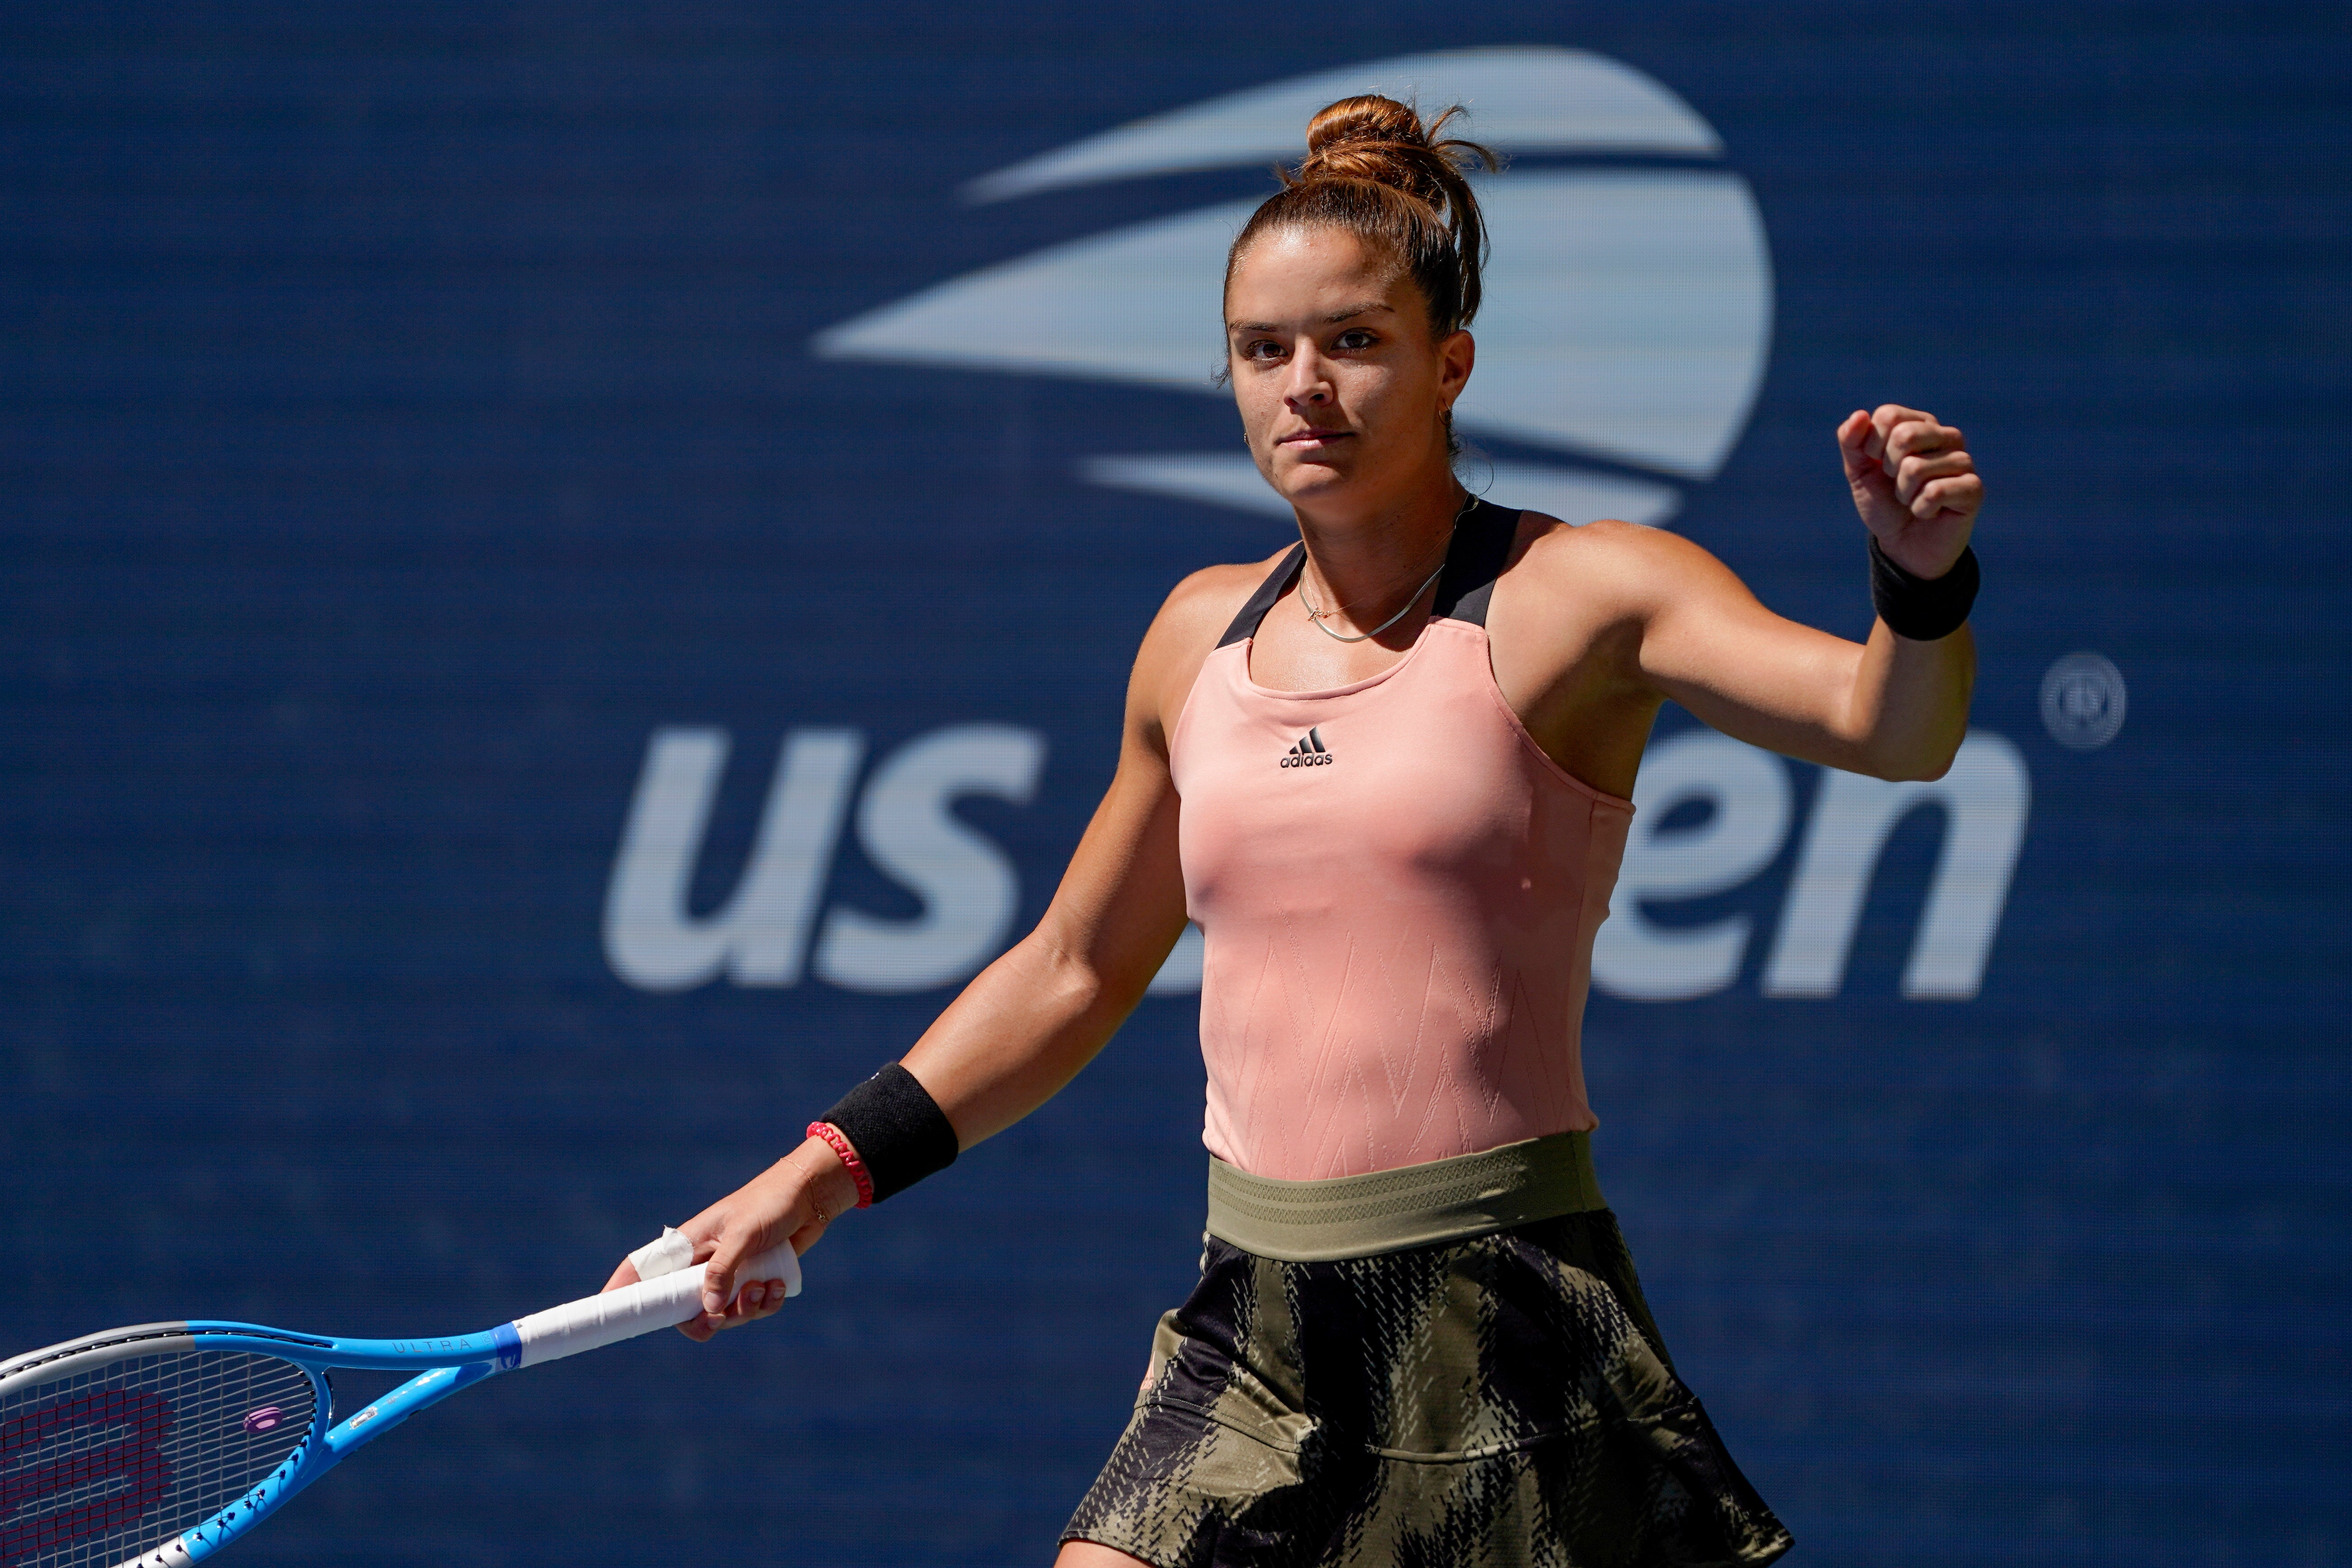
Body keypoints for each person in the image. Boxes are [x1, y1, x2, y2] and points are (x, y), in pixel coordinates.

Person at [604, 94, 1982, 1567]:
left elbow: (1887, 727)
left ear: (1451, 364)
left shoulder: (1583, 595)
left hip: (1500, 1315)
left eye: (1355, 344)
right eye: (1265, 352)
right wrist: (813, 1176)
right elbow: (1075, 968)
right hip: (1251, 1320)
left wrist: (1919, 586)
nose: (1304, 387)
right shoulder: (1198, 636)